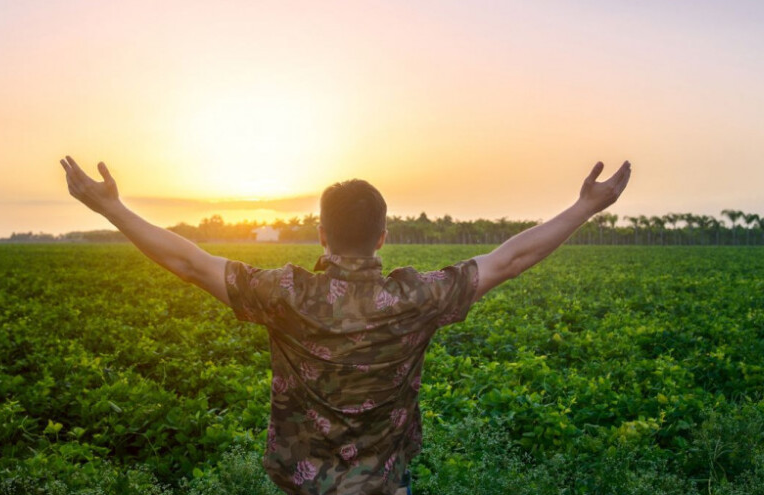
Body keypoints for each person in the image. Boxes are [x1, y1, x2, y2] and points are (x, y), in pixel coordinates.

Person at [60, 156, 631, 495]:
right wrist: (585, 207)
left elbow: (187, 262)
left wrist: (111, 208)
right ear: (384, 236)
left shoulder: (286, 293)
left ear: (323, 236)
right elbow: (510, 259)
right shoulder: (417, 295)